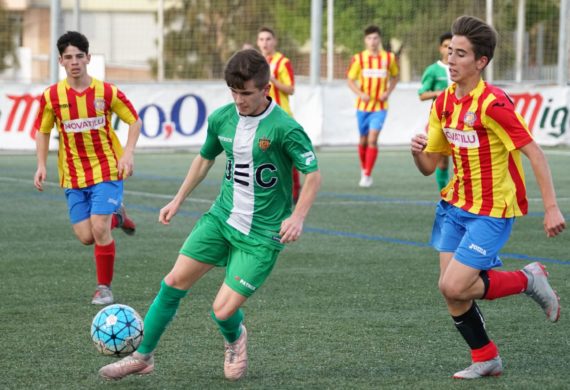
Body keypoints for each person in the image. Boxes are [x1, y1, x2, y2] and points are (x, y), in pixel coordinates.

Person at [98, 49, 321, 381]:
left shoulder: (285, 128)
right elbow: (204, 159)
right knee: (173, 282)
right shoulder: (221, 118)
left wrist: (298, 216)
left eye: (245, 93)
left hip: (262, 236)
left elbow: (313, 173)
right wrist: (178, 200)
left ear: (266, 89)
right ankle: (143, 357)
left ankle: (236, 337)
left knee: (222, 311)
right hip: (221, 219)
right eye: (233, 92)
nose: (238, 100)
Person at [410, 16, 566, 379]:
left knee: (454, 284)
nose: (451, 60)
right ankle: (487, 357)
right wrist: (417, 152)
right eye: (450, 51)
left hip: (492, 210)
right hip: (455, 206)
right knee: (452, 293)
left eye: (460, 54)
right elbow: (430, 166)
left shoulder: (493, 104)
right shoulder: (444, 103)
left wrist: (552, 208)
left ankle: (528, 280)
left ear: (480, 62)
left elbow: (535, 153)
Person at [33, 31, 141, 305]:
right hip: (73, 175)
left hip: (107, 169)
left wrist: (127, 153)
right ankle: (118, 216)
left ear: (88, 58)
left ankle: (103, 288)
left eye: (79, 56)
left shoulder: (106, 91)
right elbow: (42, 131)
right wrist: (41, 165)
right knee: (86, 236)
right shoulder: (51, 96)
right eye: (68, 57)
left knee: (99, 228)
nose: (75, 62)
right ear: (61, 61)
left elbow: (134, 120)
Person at [347, 25, 399, 188]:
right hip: (362, 107)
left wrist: (388, 92)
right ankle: (364, 169)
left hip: (380, 107)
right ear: (365, 40)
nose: (372, 41)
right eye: (369, 38)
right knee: (362, 141)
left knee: (372, 139)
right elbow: (350, 80)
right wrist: (360, 93)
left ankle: (368, 174)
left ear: (379, 39)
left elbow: (395, 77)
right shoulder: (359, 58)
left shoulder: (389, 58)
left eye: (375, 38)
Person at [256, 26, 302, 203]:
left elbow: (290, 89)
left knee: (288, 154)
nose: (265, 43)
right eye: (261, 39)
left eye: (268, 39)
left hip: (282, 116)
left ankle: (295, 191)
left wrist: (273, 80)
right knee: (262, 154)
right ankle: (269, 191)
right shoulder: (256, 62)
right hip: (261, 117)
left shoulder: (283, 62)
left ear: (274, 41)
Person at [418, 32, 453, 192]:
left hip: (462, 119)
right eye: (446, 46)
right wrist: (438, 93)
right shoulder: (433, 70)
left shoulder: (462, 68)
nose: (449, 50)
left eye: (452, 46)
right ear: (441, 49)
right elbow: (422, 94)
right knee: (443, 161)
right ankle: (445, 195)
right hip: (441, 119)